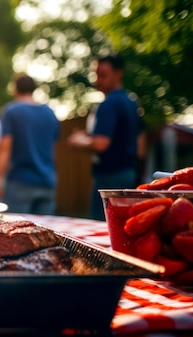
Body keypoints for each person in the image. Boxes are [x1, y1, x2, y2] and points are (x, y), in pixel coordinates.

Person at [68, 55, 145, 220]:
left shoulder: (108, 104)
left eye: (103, 75)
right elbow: (141, 144)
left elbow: (101, 144)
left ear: (118, 74)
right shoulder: (132, 103)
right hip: (129, 173)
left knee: (101, 227)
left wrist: (78, 141)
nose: (97, 80)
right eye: (96, 74)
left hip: (109, 176)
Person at [0, 73, 60, 215]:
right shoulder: (50, 113)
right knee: (46, 233)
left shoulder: (11, 112)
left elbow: (5, 148)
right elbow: (53, 149)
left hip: (20, 182)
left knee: (18, 232)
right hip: (47, 181)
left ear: (15, 89)